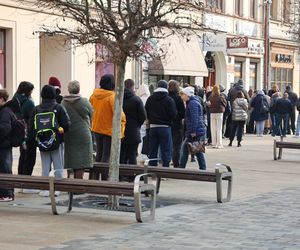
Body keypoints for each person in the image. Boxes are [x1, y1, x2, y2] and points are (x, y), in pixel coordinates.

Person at [30, 85, 70, 197]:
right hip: (57, 142)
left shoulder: (36, 109)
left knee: (45, 166)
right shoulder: (59, 107)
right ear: (54, 94)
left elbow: (31, 127)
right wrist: (60, 132)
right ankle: (57, 189)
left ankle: (45, 189)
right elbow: (67, 124)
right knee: (58, 166)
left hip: (42, 142)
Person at [90, 74, 126, 163]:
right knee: (106, 156)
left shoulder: (93, 96)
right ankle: (105, 176)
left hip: (96, 128)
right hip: (108, 130)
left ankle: (95, 176)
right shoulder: (112, 97)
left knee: (99, 154)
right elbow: (119, 114)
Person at [61, 80, 93, 179]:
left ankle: (71, 184)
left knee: (71, 158)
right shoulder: (84, 101)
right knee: (81, 161)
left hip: (69, 133)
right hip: (83, 133)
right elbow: (92, 113)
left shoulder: (63, 102)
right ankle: (79, 184)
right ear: (79, 89)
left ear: (68, 90)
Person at [145, 80, 177, 167]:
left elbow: (146, 111)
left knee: (153, 150)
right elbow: (173, 114)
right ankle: (165, 170)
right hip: (165, 127)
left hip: (153, 127)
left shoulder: (150, 98)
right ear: (166, 87)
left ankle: (152, 169)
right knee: (166, 150)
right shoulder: (169, 100)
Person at [12, 81, 36, 177]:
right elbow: (33, 118)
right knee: (30, 157)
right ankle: (26, 182)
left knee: (23, 155)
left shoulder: (14, 99)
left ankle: (20, 179)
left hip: (19, 132)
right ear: (27, 91)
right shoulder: (29, 102)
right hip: (29, 133)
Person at [179, 86, 206, 170]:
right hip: (196, 130)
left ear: (187, 95)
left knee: (191, 150)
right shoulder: (192, 102)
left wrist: (193, 131)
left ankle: (182, 167)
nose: (181, 97)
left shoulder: (192, 103)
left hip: (195, 131)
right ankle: (202, 168)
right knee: (196, 150)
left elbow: (195, 118)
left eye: (182, 95)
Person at [120, 79, 146, 165]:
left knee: (121, 154)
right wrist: (137, 125)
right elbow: (143, 116)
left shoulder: (118, 99)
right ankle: (132, 175)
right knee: (132, 155)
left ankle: (121, 175)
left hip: (121, 131)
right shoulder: (136, 100)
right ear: (132, 87)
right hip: (133, 131)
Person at [0, 89, 15, 201]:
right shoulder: (4, 110)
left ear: (1, 99)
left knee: (5, 168)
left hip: (4, 146)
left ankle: (7, 193)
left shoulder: (5, 111)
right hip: (3, 145)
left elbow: (5, 128)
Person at [168, 80, 185, 168]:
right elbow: (183, 112)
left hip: (167, 124)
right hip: (177, 125)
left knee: (168, 145)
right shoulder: (178, 98)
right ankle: (176, 164)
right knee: (176, 146)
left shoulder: (166, 97)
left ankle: (166, 163)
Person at [207, 85, 227, 149]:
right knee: (219, 129)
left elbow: (208, 104)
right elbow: (225, 104)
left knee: (213, 129)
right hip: (219, 113)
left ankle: (214, 143)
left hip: (212, 113)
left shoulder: (210, 97)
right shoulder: (221, 97)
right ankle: (219, 144)